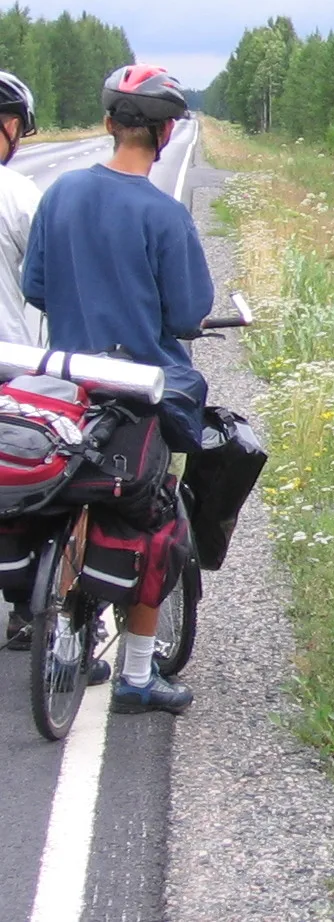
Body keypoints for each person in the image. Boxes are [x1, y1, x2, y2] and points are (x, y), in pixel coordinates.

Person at [22, 64, 213, 713]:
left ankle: (68, 651)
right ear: (166, 132)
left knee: (67, 500)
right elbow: (188, 315)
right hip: (135, 389)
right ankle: (135, 674)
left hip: (65, 384)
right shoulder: (163, 215)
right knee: (153, 518)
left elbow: (36, 289)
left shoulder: (60, 195)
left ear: (109, 124)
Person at [1, 70, 47, 650]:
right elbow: (49, 280)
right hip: (10, 359)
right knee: (25, 486)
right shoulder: (19, 196)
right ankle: (24, 610)